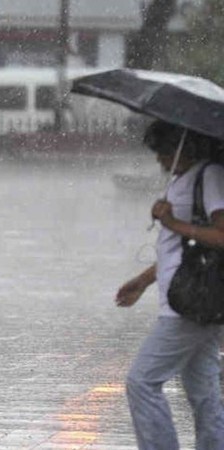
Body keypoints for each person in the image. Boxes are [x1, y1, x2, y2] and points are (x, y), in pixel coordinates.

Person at [116, 120, 224, 449]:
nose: (160, 160)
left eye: (164, 152)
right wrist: (144, 280)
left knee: (141, 381)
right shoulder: (185, 179)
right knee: (204, 392)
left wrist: (172, 222)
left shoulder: (211, 175)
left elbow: (221, 236)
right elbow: (179, 249)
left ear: (185, 147)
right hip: (190, 299)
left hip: (190, 304)